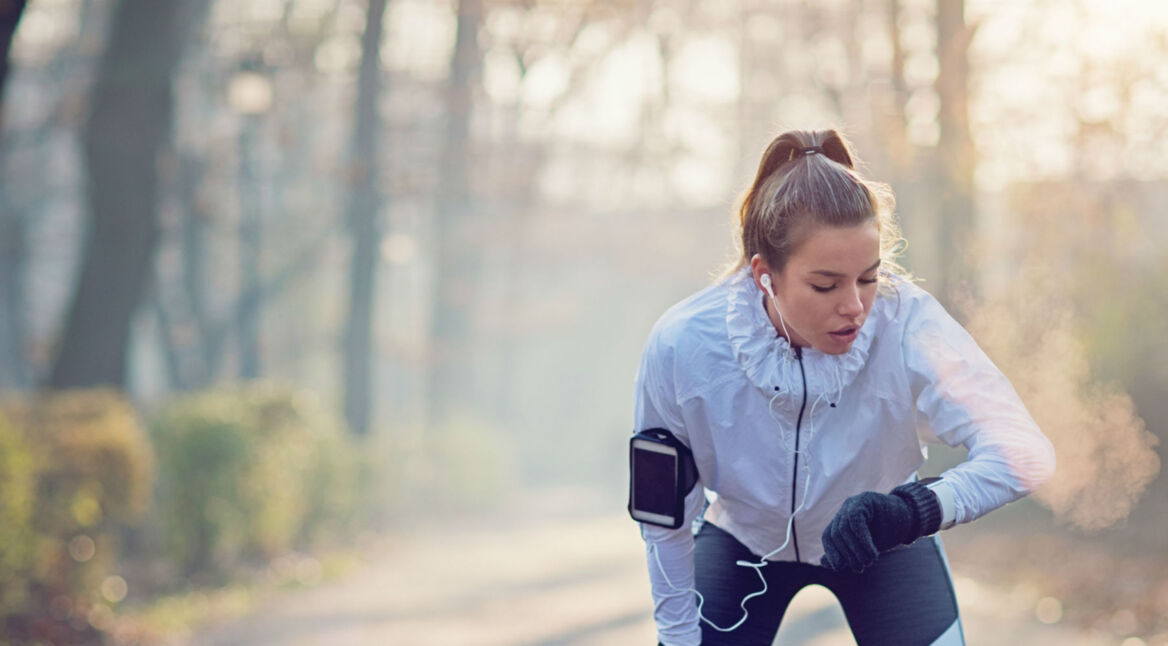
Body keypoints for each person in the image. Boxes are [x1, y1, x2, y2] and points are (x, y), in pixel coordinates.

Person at [631, 129, 1056, 646]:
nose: (855, 305)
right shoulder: (683, 345)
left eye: (870, 277)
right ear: (766, 275)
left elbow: (1026, 452)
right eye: (826, 285)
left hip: (884, 536)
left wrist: (911, 511)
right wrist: (678, 638)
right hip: (743, 540)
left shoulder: (910, 325)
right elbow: (662, 514)